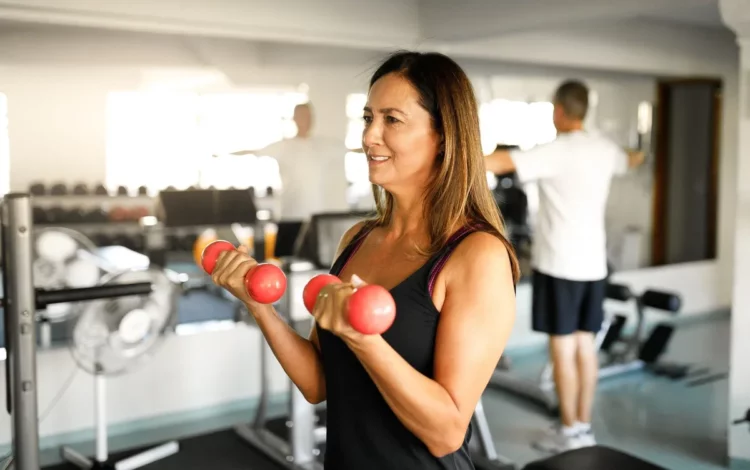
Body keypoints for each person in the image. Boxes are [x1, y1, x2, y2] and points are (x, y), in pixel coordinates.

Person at [211, 51, 518, 469]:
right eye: (367, 117)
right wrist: (257, 304)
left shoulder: (477, 254)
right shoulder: (357, 240)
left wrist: (363, 340)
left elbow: (446, 433)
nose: (370, 136)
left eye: (392, 120)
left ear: (443, 135)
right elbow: (319, 383)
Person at [484, 80, 645, 453]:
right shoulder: (604, 150)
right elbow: (633, 159)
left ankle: (569, 430)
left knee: (562, 347)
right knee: (585, 346)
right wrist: (639, 154)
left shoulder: (557, 150)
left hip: (559, 265)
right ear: (584, 109)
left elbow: (496, 162)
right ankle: (582, 426)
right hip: (593, 266)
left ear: (558, 110)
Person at [231, 102, 350, 221]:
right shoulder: (284, 146)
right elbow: (253, 152)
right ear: (295, 119)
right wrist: (223, 154)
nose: (306, 120)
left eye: (309, 116)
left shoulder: (323, 145)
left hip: (315, 216)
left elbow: (353, 149)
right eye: (302, 116)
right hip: (290, 215)